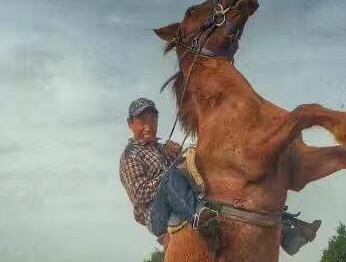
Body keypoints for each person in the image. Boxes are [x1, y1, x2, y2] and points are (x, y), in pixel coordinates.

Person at [119, 97, 320, 253]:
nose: (149, 125)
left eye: (153, 119)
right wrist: (173, 171)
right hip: (158, 215)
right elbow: (139, 194)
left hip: (182, 196)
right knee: (172, 176)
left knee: (219, 179)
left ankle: (286, 231)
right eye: (142, 121)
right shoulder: (130, 156)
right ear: (131, 124)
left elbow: (191, 161)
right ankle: (200, 218)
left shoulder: (167, 148)